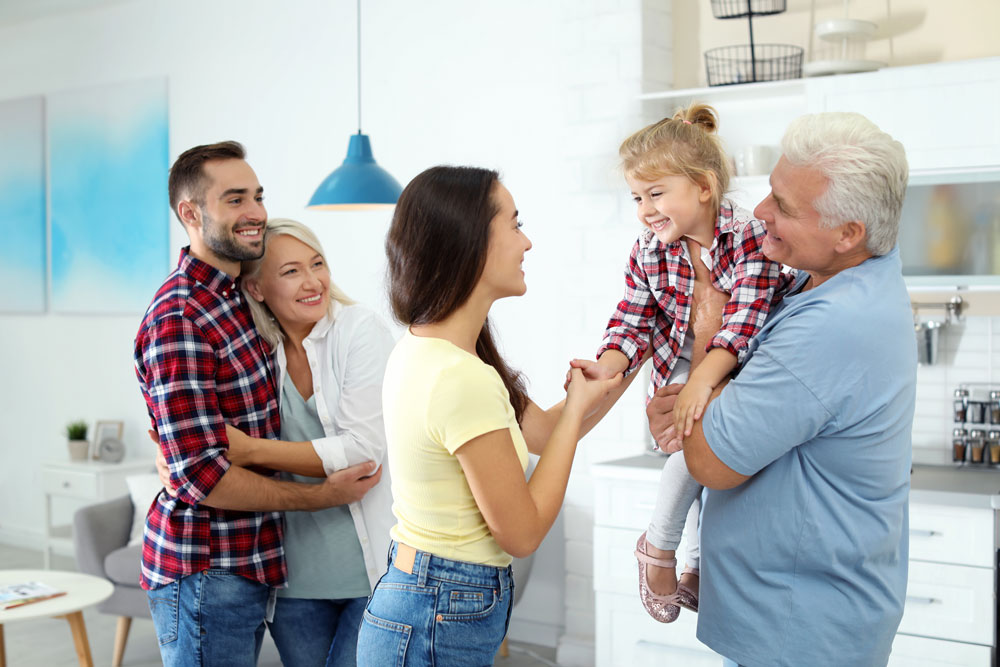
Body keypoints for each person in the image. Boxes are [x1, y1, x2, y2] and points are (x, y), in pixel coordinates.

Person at [647, 112, 916, 666]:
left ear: (848, 234)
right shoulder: (831, 280)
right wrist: (701, 403)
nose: (761, 214)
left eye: (785, 207)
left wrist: (704, 348)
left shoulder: (832, 324)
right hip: (803, 615)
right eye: (769, 192)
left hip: (799, 630)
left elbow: (713, 462)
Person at [355, 166, 631, 666]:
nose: (527, 242)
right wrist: (574, 416)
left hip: (427, 600)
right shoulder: (459, 377)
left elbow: (544, 434)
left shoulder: (434, 350)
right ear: (469, 241)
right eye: (515, 223)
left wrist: (639, 343)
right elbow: (522, 534)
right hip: (437, 609)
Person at [134, 141, 380, 667]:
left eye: (258, 196)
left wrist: (196, 453)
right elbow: (202, 475)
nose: (255, 213)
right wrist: (320, 497)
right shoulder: (182, 315)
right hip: (206, 568)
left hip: (250, 566)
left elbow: (191, 442)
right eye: (235, 199)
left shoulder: (236, 303)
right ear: (191, 214)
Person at [572, 104, 786, 623]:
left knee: (707, 456)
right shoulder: (648, 249)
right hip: (681, 371)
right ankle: (688, 559)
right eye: (637, 198)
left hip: (743, 369)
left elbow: (744, 324)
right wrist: (608, 364)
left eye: (657, 193)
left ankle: (664, 548)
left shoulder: (751, 240)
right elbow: (633, 317)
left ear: (704, 188)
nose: (645, 210)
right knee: (697, 460)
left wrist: (702, 387)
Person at [234, 217, 395, 666]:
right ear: (257, 289)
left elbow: (364, 449)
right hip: (292, 583)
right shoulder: (256, 354)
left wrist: (251, 449)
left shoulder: (359, 329)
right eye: (291, 271)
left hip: (371, 574)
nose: (313, 282)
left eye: (317, 263)